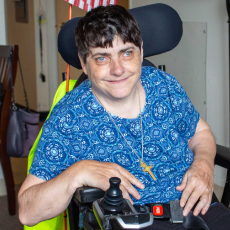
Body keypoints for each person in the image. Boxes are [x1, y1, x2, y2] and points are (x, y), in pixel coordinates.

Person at [18, 4, 230, 230]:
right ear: (83, 62)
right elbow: (27, 212)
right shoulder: (69, 117)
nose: (118, 69)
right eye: (102, 58)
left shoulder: (163, 84)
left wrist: (204, 165)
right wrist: (76, 173)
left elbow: (200, 132)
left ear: (140, 50)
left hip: (199, 208)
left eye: (127, 53)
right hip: (132, 221)